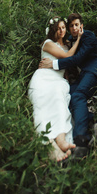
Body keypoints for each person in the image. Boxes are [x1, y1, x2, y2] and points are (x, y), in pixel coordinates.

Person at [39, 13, 97, 159]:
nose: (74, 28)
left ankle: (81, 141)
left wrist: (53, 64)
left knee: (78, 95)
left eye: (77, 25)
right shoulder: (71, 40)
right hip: (84, 74)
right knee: (67, 97)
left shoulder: (88, 36)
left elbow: (77, 58)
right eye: (71, 26)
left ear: (81, 26)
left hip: (95, 70)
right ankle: (93, 121)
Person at [28, 17, 82, 162]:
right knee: (42, 107)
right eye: (58, 28)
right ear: (52, 30)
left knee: (59, 100)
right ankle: (49, 144)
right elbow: (67, 57)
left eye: (63, 27)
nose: (61, 31)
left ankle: (61, 138)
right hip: (44, 78)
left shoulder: (67, 45)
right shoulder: (48, 43)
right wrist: (78, 40)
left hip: (58, 81)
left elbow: (69, 62)